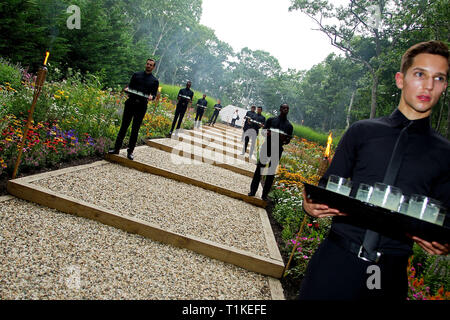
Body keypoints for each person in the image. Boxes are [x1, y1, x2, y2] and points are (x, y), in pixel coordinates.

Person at [299, 40, 450, 300]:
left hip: (388, 275)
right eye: (419, 74)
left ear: (445, 86)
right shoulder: (362, 132)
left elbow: (445, 218)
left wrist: (445, 242)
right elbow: (324, 189)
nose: (428, 85)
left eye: (439, 78)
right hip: (336, 261)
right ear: (400, 79)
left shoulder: (446, 154)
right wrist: (309, 205)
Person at [108, 59, 159, 160]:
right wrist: (126, 90)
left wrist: (151, 97)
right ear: (146, 64)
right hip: (130, 103)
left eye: (151, 65)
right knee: (124, 126)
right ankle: (116, 148)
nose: (148, 66)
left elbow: (153, 95)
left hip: (141, 106)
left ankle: (130, 151)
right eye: (147, 64)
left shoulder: (154, 81)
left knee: (135, 129)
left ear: (153, 67)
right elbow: (129, 87)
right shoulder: (136, 75)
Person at [248, 104, 293, 201]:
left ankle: (264, 196)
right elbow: (263, 132)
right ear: (280, 109)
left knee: (270, 173)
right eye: (284, 108)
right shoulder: (271, 120)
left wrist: (284, 139)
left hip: (277, 149)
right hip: (267, 146)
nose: (285, 110)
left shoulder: (289, 126)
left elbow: (288, 140)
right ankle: (252, 191)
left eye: (287, 109)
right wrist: (268, 133)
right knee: (259, 169)